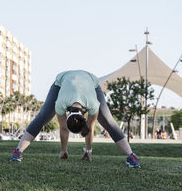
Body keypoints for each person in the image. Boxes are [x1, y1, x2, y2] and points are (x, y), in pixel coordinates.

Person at [9, 70, 141, 168]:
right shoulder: (60, 103)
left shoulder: (93, 104)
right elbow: (64, 128)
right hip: (61, 82)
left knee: (107, 120)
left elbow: (89, 127)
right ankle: (18, 151)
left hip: (92, 83)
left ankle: (131, 156)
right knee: (43, 116)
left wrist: (88, 150)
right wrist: (63, 150)